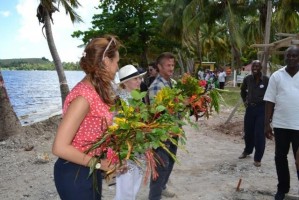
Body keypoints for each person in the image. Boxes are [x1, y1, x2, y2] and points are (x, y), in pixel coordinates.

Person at [52, 35, 125, 200]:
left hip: (89, 168)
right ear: (106, 61)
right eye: (116, 62)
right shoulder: (84, 97)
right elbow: (59, 147)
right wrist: (100, 164)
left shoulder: (96, 90)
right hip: (74, 172)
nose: (117, 67)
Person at [264, 45, 299, 200]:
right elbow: (269, 101)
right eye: (288, 56)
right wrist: (267, 124)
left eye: (294, 56)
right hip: (281, 125)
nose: (291, 58)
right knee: (280, 157)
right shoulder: (276, 76)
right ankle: (282, 188)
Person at [148, 52, 177, 200]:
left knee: (170, 163)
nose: (171, 68)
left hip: (174, 131)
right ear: (159, 67)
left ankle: (163, 188)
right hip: (162, 134)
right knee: (160, 167)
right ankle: (154, 196)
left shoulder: (171, 83)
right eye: (168, 65)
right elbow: (156, 114)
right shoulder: (156, 86)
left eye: (172, 65)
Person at [114, 64, 146, 200]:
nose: (139, 81)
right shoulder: (119, 100)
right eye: (136, 79)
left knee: (134, 185)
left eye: (139, 78)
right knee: (125, 189)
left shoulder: (137, 98)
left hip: (138, 148)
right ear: (125, 83)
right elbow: (115, 126)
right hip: (125, 150)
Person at [239, 60, 269, 167]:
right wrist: (245, 101)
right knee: (248, 132)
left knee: (259, 134)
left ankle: (258, 158)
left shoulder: (266, 80)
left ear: (261, 67)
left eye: (257, 66)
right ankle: (247, 151)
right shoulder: (247, 79)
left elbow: (271, 94)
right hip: (250, 109)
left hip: (262, 109)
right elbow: (242, 91)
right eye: (253, 66)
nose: (255, 68)